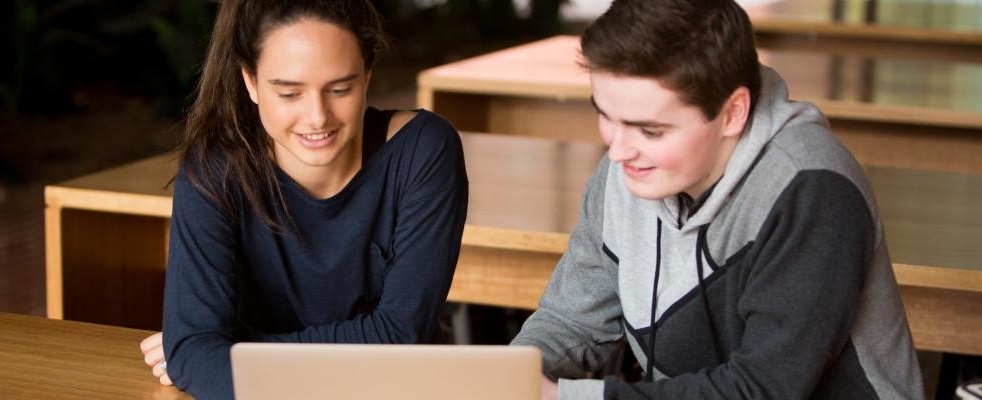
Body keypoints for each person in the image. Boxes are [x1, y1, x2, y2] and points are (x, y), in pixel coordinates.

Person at [509, 0, 924, 398]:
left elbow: (762, 390)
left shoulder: (811, 190)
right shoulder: (627, 171)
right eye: (604, 114)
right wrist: (507, 378)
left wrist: (562, 398)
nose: (617, 151)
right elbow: (570, 320)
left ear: (732, 113)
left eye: (650, 131)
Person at [138, 1, 469, 398]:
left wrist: (233, 351)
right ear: (251, 83)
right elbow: (194, 350)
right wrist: (198, 350)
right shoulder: (213, 170)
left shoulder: (423, 150)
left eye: (340, 89)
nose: (317, 117)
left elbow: (399, 336)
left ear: (368, 74)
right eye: (289, 93)